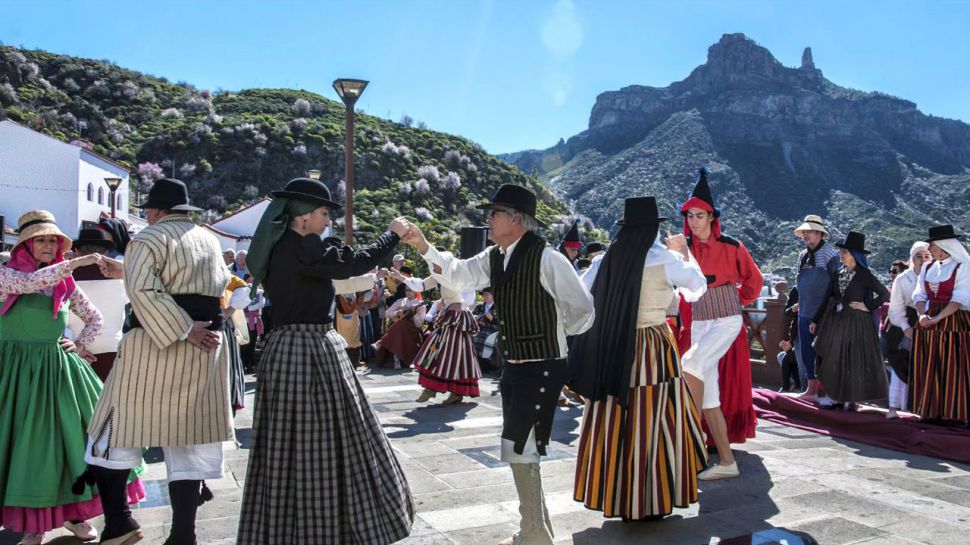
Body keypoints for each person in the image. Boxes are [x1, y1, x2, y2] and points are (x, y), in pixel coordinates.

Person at [402, 183, 595, 545]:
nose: (488, 218)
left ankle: (534, 534)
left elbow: (583, 310)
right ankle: (538, 531)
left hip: (543, 364)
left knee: (520, 446)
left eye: (495, 213)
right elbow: (458, 274)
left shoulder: (548, 257)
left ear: (516, 220)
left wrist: (551, 333)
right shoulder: (496, 255)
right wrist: (424, 246)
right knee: (523, 447)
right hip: (517, 365)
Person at [237, 177, 414, 544]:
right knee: (326, 438)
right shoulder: (302, 246)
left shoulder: (285, 247)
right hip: (308, 350)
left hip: (286, 350)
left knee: (287, 443)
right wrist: (392, 233)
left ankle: (290, 526)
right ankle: (326, 527)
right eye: (322, 213)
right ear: (302, 217)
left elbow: (336, 269)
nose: (326, 221)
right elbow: (356, 262)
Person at [84, 178, 232, 545]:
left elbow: (145, 292)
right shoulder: (209, 240)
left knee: (111, 430)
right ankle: (184, 534)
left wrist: (184, 328)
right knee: (190, 439)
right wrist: (195, 328)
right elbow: (208, 285)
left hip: (155, 346)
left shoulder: (146, 239)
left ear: (153, 211)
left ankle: (119, 523)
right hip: (205, 348)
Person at [0, 211, 145, 545]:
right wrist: (73, 265)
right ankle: (33, 525)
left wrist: (77, 344)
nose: (50, 245)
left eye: (54, 239)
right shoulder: (7, 275)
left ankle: (76, 516)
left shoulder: (64, 282)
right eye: (42, 239)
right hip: (14, 372)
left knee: (72, 443)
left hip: (55, 371)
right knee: (25, 447)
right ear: (26, 244)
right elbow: (29, 283)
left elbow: (93, 318)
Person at [569, 196, 708, 521]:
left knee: (615, 414)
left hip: (615, 344)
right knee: (655, 415)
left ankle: (618, 493)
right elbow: (697, 288)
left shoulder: (609, 257)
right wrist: (685, 254)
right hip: (653, 345)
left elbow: (580, 288)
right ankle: (650, 495)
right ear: (653, 228)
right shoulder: (665, 257)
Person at [678, 167, 763, 480]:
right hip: (700, 322)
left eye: (700, 215)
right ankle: (727, 462)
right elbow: (683, 288)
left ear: (712, 217)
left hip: (726, 320)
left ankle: (688, 440)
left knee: (688, 364)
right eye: (690, 216)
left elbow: (754, 281)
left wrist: (736, 300)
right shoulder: (685, 250)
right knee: (709, 394)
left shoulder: (732, 245)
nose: (694, 221)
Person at [810, 231, 890, 409]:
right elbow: (827, 297)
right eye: (841, 252)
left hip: (857, 323)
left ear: (854, 255)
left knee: (853, 360)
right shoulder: (838, 273)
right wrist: (815, 320)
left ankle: (852, 399)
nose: (840, 254)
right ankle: (836, 396)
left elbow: (884, 293)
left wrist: (867, 306)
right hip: (837, 322)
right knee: (834, 358)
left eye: (844, 252)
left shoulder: (864, 274)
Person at [911, 225, 970, 424]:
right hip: (929, 321)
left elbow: (958, 300)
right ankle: (931, 410)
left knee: (953, 365)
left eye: (933, 245)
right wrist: (921, 315)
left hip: (952, 322)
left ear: (945, 246)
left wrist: (936, 318)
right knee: (929, 364)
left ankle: (955, 412)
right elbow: (919, 294)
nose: (930, 249)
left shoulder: (962, 267)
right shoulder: (928, 267)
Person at [402, 271, 482, 405]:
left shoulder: (463, 272)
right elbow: (421, 285)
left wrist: (459, 304)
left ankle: (456, 393)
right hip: (448, 317)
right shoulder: (440, 274)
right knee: (434, 351)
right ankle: (431, 388)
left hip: (459, 320)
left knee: (457, 357)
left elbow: (470, 298)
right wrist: (402, 278)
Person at [67, 227, 128, 380]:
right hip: (113, 348)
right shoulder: (122, 279)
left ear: (78, 253)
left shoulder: (65, 278)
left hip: (74, 349)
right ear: (106, 253)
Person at [792, 214, 840, 400]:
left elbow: (837, 283)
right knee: (806, 352)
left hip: (823, 313)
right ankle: (811, 389)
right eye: (804, 231)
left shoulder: (830, 254)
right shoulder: (802, 256)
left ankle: (826, 390)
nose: (806, 235)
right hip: (804, 311)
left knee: (824, 351)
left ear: (820, 234)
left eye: (810, 231)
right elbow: (799, 283)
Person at [885, 242, 931, 418]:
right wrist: (905, 328)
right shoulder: (903, 279)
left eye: (927, 256)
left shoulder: (936, 276)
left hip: (930, 323)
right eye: (919, 256)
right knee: (900, 365)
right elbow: (895, 307)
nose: (923, 259)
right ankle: (893, 407)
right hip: (907, 324)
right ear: (912, 259)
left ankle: (923, 408)